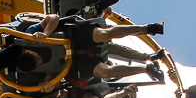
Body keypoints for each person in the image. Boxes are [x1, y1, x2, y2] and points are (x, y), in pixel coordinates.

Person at [21, 13, 166, 83]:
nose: (41, 61)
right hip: (73, 62)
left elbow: (53, 18)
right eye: (39, 64)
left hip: (73, 36)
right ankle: (147, 69)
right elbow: (51, 77)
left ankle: (149, 28)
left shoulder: (29, 35)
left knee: (104, 35)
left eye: (38, 58)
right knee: (104, 72)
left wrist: (45, 33)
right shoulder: (35, 71)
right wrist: (49, 84)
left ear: (29, 50)